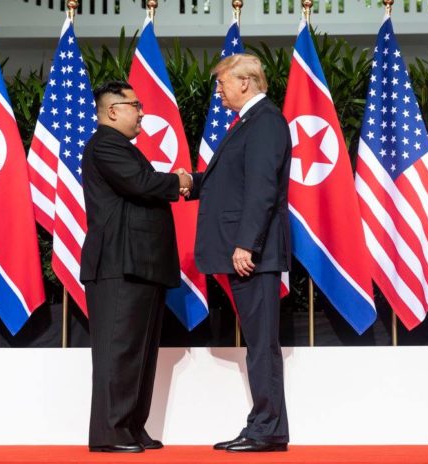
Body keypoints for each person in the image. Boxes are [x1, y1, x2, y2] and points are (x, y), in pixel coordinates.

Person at [186, 54, 291, 452]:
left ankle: (266, 429)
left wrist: (246, 243)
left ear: (245, 82)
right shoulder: (250, 121)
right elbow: (229, 181)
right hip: (247, 251)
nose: (218, 91)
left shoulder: (264, 122)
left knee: (262, 344)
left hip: (253, 254)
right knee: (259, 342)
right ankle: (268, 426)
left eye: (222, 84)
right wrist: (185, 183)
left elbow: (263, 189)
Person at [80, 80, 192, 453]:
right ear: (112, 111)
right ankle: (110, 433)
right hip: (118, 264)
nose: (141, 111)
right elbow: (142, 184)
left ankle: (130, 428)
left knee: (140, 352)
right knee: (119, 351)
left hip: (139, 264)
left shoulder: (120, 147)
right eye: (135, 105)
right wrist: (178, 180)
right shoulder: (106, 144)